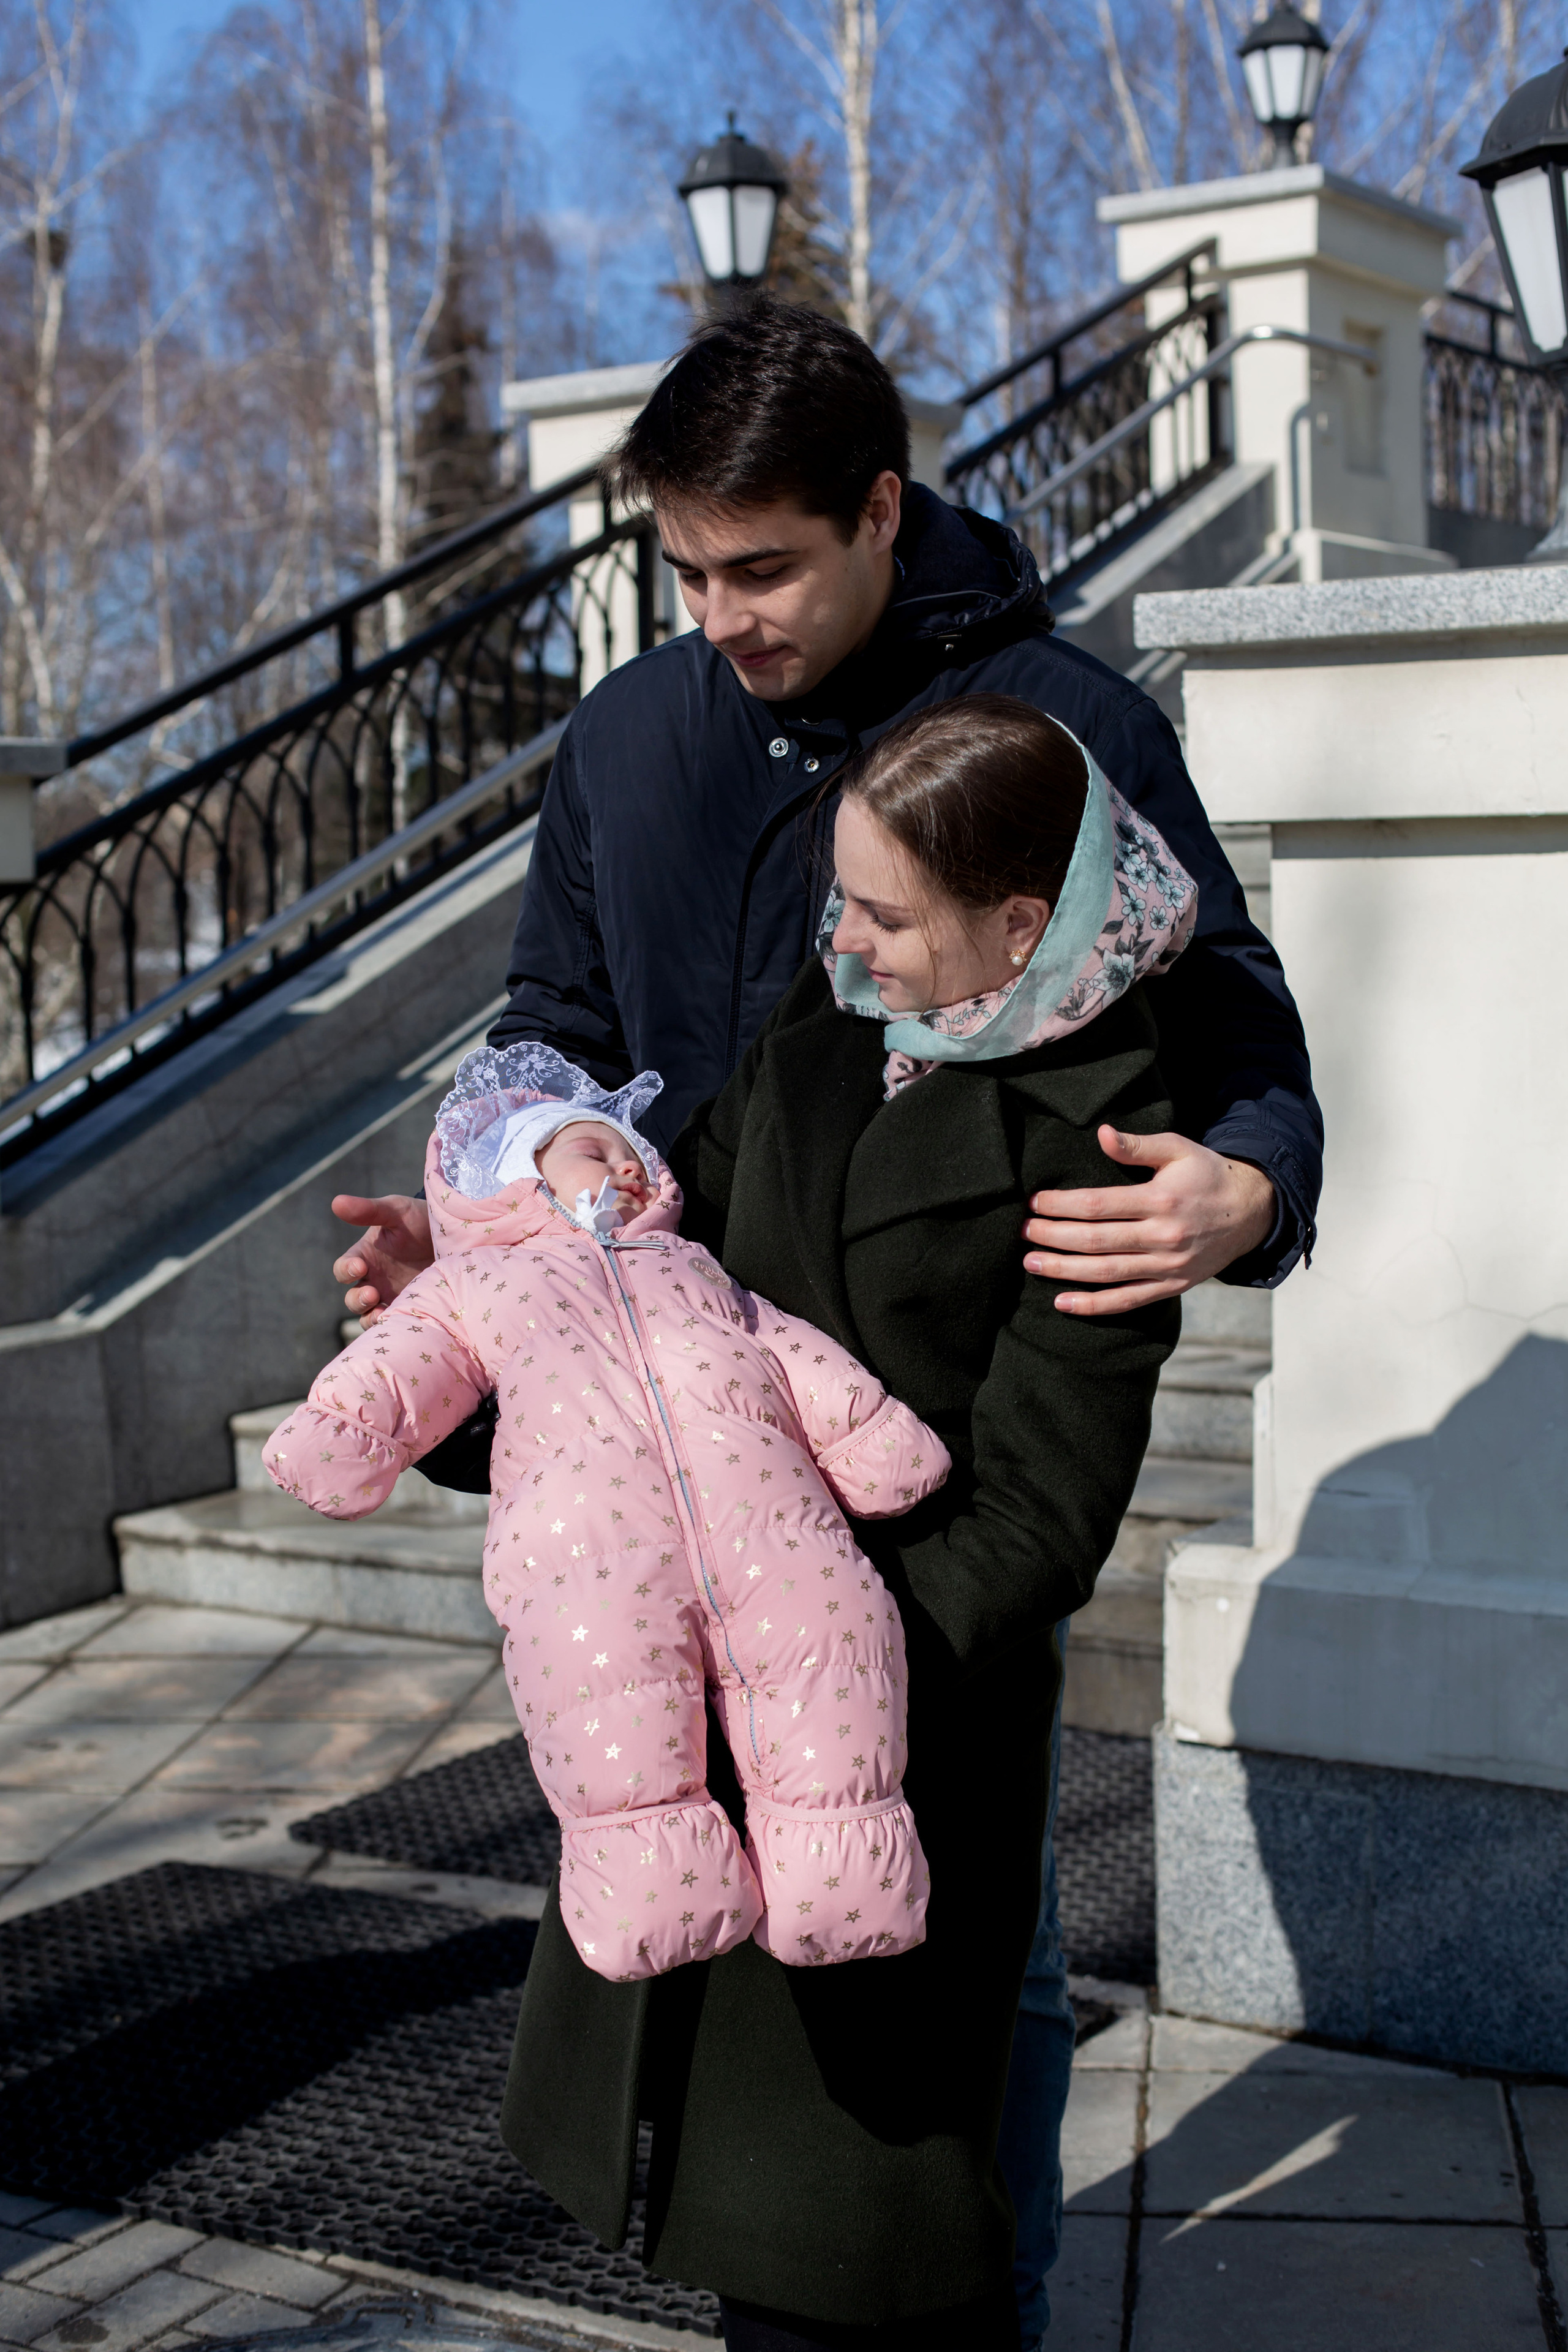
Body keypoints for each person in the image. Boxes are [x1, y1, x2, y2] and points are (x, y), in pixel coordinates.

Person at [329, 296, 1322, 2342]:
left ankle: (973, 2299)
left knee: (966, 1964)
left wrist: (1255, 1177)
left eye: (762, 568)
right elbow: (554, 1032)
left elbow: (1225, 1014)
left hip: (940, 1459)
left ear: (880, 509)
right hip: (693, 1404)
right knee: (730, 1970)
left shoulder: (1058, 728)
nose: (721, 618)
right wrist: (506, 1243)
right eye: (685, 571)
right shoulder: (636, 739)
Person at [500, 695, 1189, 2349]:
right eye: (842, 899)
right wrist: (480, 1336)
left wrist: (808, 1656)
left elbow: (1039, 1515)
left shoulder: (1099, 1145)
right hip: (719, 1695)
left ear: (1017, 927)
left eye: (885, 913)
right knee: (753, 2232)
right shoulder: (827, 1031)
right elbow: (661, 1296)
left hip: (893, 1736)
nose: (845, 941)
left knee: (860, 2248)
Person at [268, 1045, 945, 1981]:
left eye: (633, 1154)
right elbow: (403, 1361)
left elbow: (784, 1347)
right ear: (517, 1179)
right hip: (589, 1563)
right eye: (594, 1151)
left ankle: (845, 1883)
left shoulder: (691, 1266)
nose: (625, 1166)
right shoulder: (479, 1285)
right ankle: (654, 1895)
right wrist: (337, 1433)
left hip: (781, 1536)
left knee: (838, 1650)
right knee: (610, 1715)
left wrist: (874, 1438)